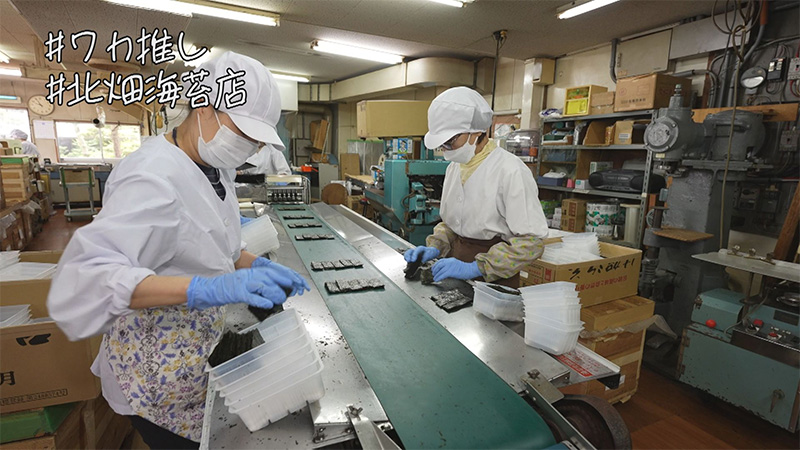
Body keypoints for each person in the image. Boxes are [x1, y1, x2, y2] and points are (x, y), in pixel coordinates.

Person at [47, 51, 310, 449]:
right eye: (245, 133)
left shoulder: (214, 167)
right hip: (154, 377)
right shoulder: (149, 175)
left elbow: (217, 245)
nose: (253, 148)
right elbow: (95, 280)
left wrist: (256, 264)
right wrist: (208, 288)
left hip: (195, 359)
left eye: (258, 139)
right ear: (203, 107)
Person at [404, 87, 548, 287]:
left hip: (495, 279)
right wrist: (436, 246)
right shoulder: (455, 167)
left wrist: (477, 267)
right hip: (454, 270)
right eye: (441, 143)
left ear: (477, 131)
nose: (445, 150)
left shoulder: (510, 170)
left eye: (450, 141)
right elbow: (452, 224)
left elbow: (531, 243)